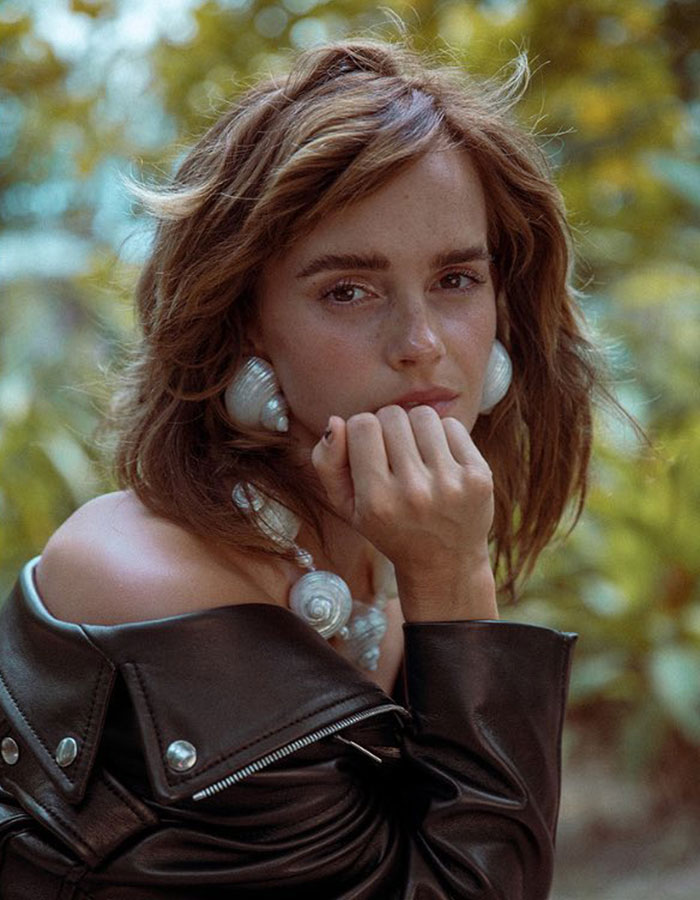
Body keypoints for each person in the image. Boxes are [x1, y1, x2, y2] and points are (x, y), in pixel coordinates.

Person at [0, 38, 598, 899]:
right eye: (347, 290)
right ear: (242, 320)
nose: (422, 343)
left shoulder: (372, 604)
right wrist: (458, 581)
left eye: (457, 279)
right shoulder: (143, 585)